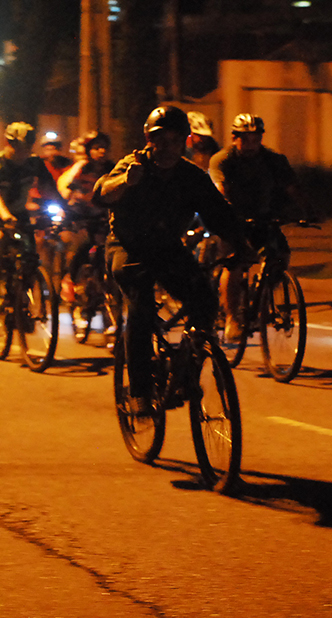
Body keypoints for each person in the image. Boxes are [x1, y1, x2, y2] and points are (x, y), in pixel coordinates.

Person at [94, 106, 254, 416]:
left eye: (175, 140)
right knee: (140, 306)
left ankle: (184, 372)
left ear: (184, 141)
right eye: (161, 140)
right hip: (128, 248)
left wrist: (240, 245)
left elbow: (219, 213)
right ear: (148, 140)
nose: (167, 148)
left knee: (205, 299)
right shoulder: (133, 165)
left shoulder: (190, 175)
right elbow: (102, 193)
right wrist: (126, 181)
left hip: (167, 248)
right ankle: (139, 391)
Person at [208, 113, 314, 341]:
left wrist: (307, 211)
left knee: (281, 256)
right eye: (245, 139)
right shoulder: (223, 160)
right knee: (234, 262)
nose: (251, 145)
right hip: (233, 218)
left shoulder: (273, 159)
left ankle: (262, 294)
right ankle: (232, 318)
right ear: (234, 138)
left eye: (256, 139)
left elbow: (292, 188)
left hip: (263, 216)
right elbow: (220, 188)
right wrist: (226, 212)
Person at [57, 131, 114, 333]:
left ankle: (109, 313)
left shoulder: (112, 168)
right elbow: (64, 187)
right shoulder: (81, 168)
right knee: (81, 247)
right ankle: (72, 284)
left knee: (109, 260)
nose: (101, 151)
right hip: (81, 218)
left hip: (103, 219)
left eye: (104, 147)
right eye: (96, 148)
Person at [0, 122, 59, 247]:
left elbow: (49, 188)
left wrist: (63, 209)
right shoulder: (1, 163)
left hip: (19, 213)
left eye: (30, 145)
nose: (27, 150)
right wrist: (5, 215)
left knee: (31, 248)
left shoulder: (34, 163)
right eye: (21, 145)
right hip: (3, 213)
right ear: (9, 143)